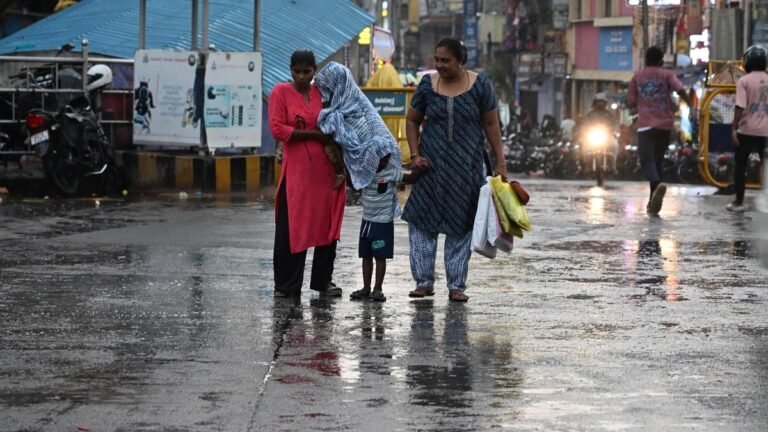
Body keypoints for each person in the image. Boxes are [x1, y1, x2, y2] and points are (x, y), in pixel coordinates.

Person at [403, 37, 508, 303]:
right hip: (430, 169)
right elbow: (413, 120)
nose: (439, 65)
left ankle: (456, 285)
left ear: (460, 61)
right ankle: (424, 282)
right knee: (421, 224)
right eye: (437, 60)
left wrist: (500, 163)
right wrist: (415, 155)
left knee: (461, 227)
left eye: (445, 60)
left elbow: (492, 125)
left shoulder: (481, 85)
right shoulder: (427, 85)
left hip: (467, 169)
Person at [268, 49, 346, 297]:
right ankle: (286, 284)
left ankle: (322, 281)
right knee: (291, 227)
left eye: (307, 72)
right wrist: (313, 134)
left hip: (325, 171)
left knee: (326, 225)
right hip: (297, 173)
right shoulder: (280, 92)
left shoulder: (321, 94)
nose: (301, 76)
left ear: (315, 71)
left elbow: (337, 123)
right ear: (290, 70)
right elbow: (278, 128)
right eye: (297, 72)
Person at [628, 46, 692, 215]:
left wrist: (639, 107)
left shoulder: (637, 77)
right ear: (662, 60)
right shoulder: (667, 75)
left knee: (646, 161)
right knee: (657, 162)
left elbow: (631, 102)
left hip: (645, 125)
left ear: (646, 60)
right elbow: (680, 90)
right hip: (665, 126)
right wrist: (691, 106)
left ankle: (657, 184)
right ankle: (652, 202)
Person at [349, 154, 422, 302]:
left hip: (382, 224)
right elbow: (352, 182)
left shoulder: (391, 172)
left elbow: (410, 178)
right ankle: (366, 287)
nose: (382, 161)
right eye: (379, 158)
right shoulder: (364, 172)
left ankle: (377, 288)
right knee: (366, 255)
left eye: (385, 158)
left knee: (380, 256)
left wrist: (420, 168)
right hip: (367, 222)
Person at [729, 44, 768, 212]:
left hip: (746, 130)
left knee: (741, 165)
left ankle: (739, 202)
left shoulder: (743, 81)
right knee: (766, 165)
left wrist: (733, 128)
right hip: (766, 132)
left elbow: (740, 106)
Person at [575, 93, 619, 172]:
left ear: (605, 103)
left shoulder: (609, 115)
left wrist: (614, 130)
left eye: (602, 102)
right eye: (598, 101)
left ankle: (613, 165)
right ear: (594, 103)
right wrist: (583, 131)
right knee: (584, 145)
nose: (600, 104)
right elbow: (584, 124)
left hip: (607, 136)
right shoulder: (590, 115)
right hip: (592, 136)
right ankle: (587, 164)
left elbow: (614, 124)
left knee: (614, 144)